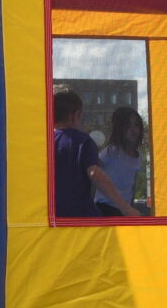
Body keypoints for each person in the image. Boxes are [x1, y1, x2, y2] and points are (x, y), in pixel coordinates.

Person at [55, 85, 136, 220]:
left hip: (53, 219)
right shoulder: (82, 141)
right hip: (81, 218)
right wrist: (126, 208)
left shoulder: (43, 144)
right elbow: (95, 174)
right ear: (75, 116)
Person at [96, 106, 147, 218]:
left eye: (136, 125)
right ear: (120, 129)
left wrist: (131, 207)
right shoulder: (111, 152)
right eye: (128, 126)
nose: (133, 130)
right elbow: (94, 170)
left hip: (124, 210)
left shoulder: (138, 157)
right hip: (105, 207)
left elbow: (132, 185)